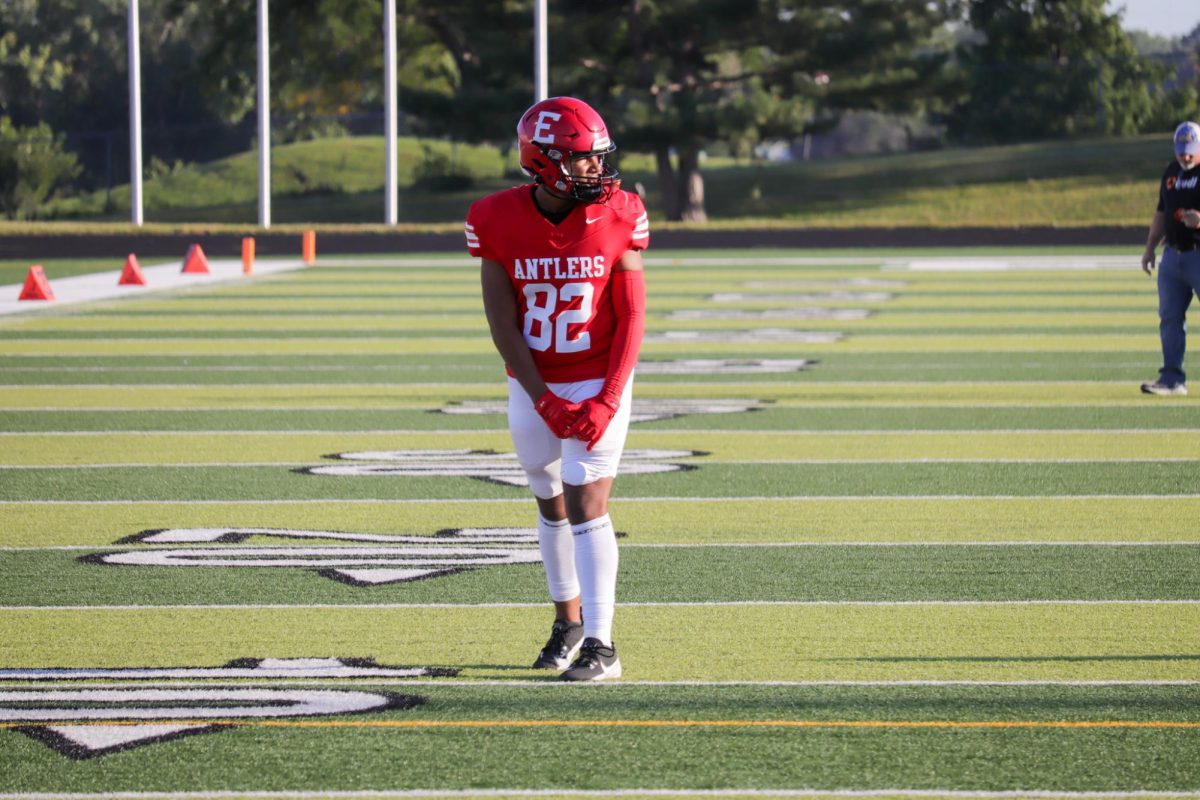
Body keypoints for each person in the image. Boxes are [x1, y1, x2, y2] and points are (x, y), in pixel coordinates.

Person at [464, 96, 649, 681]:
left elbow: (632, 317)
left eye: (598, 159)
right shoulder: (493, 217)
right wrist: (541, 395)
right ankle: (567, 622)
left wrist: (607, 397)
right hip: (533, 379)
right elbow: (502, 322)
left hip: (598, 374)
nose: (596, 169)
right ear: (543, 161)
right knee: (547, 495)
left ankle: (603, 644)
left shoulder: (622, 213)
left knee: (585, 498)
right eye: (581, 160)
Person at [1140, 121, 1200, 396]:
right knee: (1169, 318)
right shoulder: (1171, 173)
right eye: (1181, 149)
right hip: (1172, 256)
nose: (1185, 156)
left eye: (1190, 150)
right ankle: (1172, 379)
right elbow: (1161, 213)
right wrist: (1150, 247)